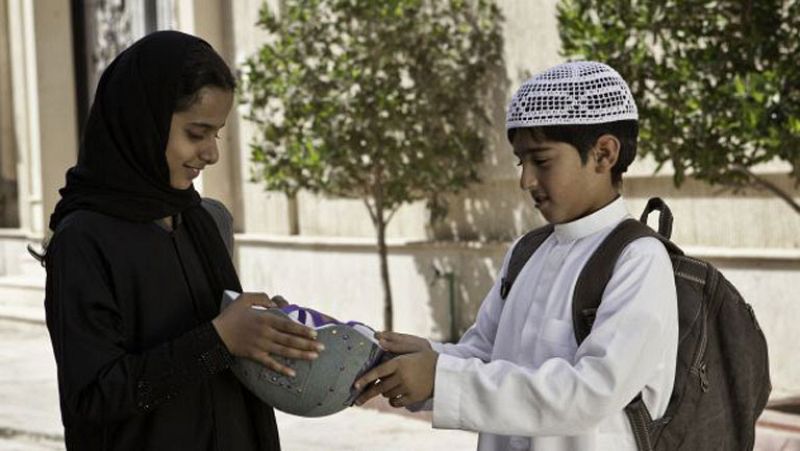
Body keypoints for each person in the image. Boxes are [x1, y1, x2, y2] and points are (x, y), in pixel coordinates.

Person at [353, 61, 679, 450]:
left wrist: (441, 376)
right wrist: (421, 358)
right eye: (521, 162)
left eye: (541, 161)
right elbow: (485, 355)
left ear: (604, 153)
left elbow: (591, 392)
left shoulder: (638, 259)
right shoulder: (528, 252)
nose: (526, 180)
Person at [43, 31, 324, 450]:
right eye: (197, 133)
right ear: (144, 122)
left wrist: (262, 331)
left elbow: (222, 344)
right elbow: (93, 396)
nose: (211, 153)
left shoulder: (198, 221)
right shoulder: (84, 240)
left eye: (217, 134)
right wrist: (220, 339)